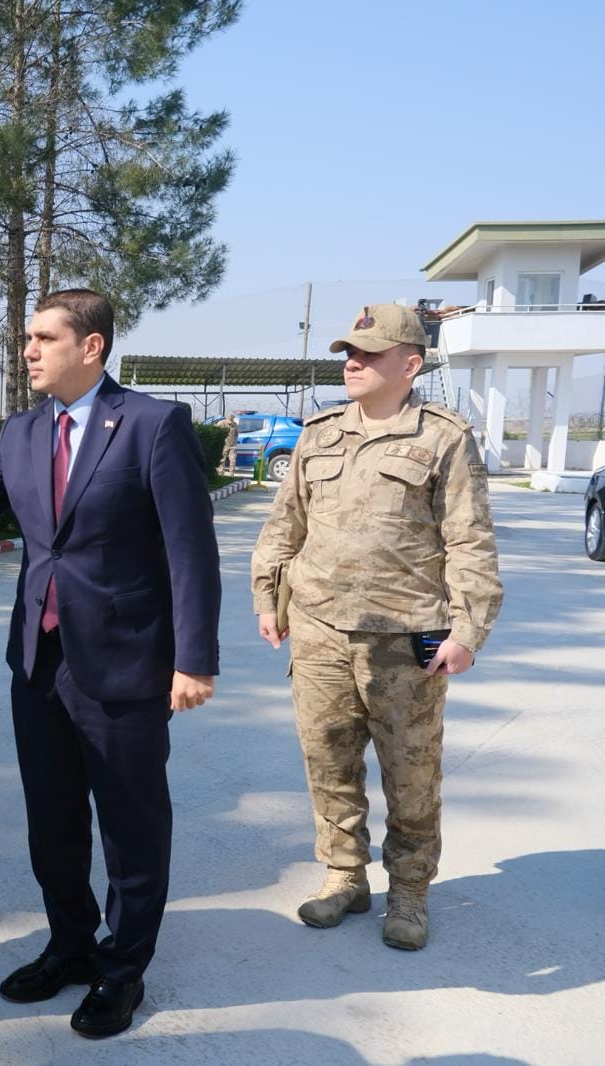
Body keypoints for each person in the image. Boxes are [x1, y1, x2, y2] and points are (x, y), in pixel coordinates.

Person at [0, 288, 221, 1039]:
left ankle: (123, 971)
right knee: (52, 820)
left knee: (131, 825)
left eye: (42, 337)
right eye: (27, 338)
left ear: (90, 347)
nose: (27, 349)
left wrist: (193, 658)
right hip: (39, 658)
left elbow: (190, 549)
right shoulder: (22, 432)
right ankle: (69, 943)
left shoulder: (154, 427)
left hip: (127, 661)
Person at [250, 303, 502, 951]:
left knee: (411, 772)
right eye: (348, 353)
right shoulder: (320, 432)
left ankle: (411, 889)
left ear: (409, 365)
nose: (351, 363)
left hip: (406, 639)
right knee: (327, 762)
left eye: (367, 353)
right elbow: (286, 524)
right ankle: (344, 875)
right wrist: (267, 599)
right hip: (319, 633)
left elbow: (470, 542)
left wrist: (467, 630)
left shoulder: (443, 436)